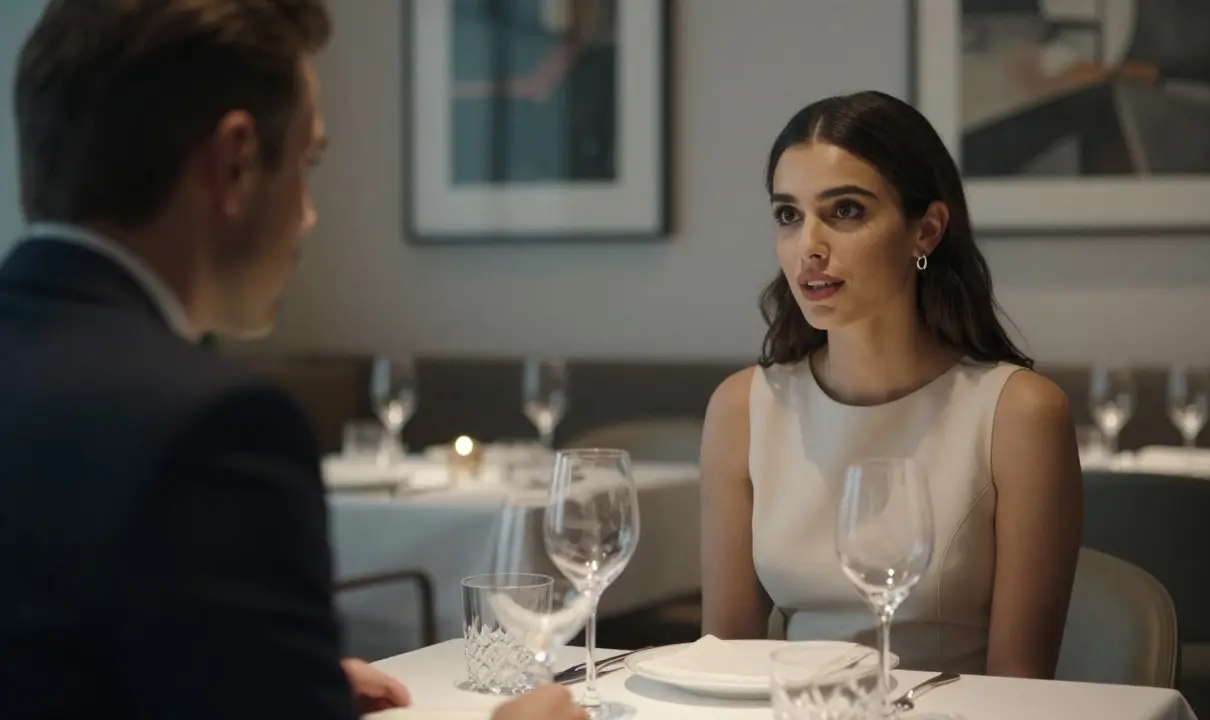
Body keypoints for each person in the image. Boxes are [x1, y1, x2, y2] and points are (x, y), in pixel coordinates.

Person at [0, 1, 584, 719]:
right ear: (236, 161)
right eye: (308, 163)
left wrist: (266, 674)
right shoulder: (212, 426)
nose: (309, 215)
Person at [699, 91, 1083, 678]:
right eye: (788, 215)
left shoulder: (1019, 414)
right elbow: (723, 665)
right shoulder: (742, 408)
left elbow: (1021, 690)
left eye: (845, 211)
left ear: (925, 230)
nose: (809, 247)